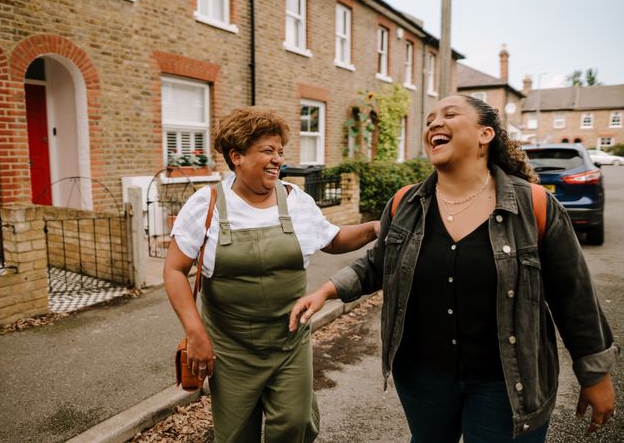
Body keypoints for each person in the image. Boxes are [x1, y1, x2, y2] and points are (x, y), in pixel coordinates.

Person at [290, 95, 618, 442]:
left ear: (485, 134)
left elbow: (573, 295)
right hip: (423, 378)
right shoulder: (405, 203)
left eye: (449, 115)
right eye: (430, 118)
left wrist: (594, 374)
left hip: (506, 382)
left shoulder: (533, 205)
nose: (434, 123)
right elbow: (379, 263)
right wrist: (326, 290)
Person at [163, 107, 379, 443]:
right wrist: (195, 332)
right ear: (236, 156)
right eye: (267, 151)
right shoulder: (206, 205)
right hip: (231, 349)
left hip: (289, 342)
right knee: (235, 436)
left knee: (295, 424)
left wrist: (377, 227)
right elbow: (174, 270)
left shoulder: (296, 200)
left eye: (279, 151)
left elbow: (332, 239)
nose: (277, 159)